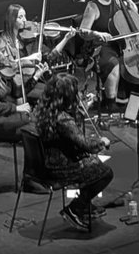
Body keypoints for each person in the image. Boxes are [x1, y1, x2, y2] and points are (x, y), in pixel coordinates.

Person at [33, 72, 113, 230]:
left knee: (93, 164)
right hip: (60, 168)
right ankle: (75, 207)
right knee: (105, 173)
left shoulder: (44, 111)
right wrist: (101, 142)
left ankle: (84, 205)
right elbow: (85, 145)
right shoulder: (63, 119)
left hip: (48, 161)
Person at [78, 0, 139, 112]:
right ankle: (111, 103)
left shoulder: (116, 0)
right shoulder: (93, 6)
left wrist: (127, 0)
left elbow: (134, 13)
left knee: (136, 60)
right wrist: (97, 33)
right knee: (114, 64)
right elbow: (83, 32)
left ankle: (130, 99)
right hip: (99, 47)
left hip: (119, 44)